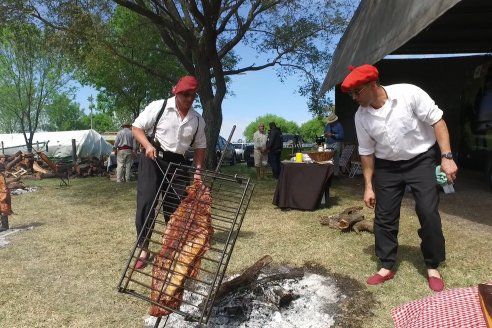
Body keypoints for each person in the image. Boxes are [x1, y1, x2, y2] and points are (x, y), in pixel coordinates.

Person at [341, 64, 458, 292]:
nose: (354, 98)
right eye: (350, 94)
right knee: (384, 217)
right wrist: (368, 186)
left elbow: (438, 121)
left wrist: (447, 157)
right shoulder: (361, 117)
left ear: (373, 84)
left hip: (421, 160)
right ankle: (386, 265)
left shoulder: (409, 94)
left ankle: (433, 266)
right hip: (387, 167)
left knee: (428, 212)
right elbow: (366, 152)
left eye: (357, 92)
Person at [131, 75, 206, 269]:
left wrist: (198, 171)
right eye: (185, 95)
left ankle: (171, 249)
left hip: (179, 163)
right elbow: (136, 128)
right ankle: (144, 249)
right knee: (147, 204)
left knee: (176, 209)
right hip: (153, 158)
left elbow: (200, 146)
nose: (189, 99)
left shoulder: (197, 120)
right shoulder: (159, 106)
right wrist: (147, 145)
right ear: (176, 92)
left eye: (192, 96)